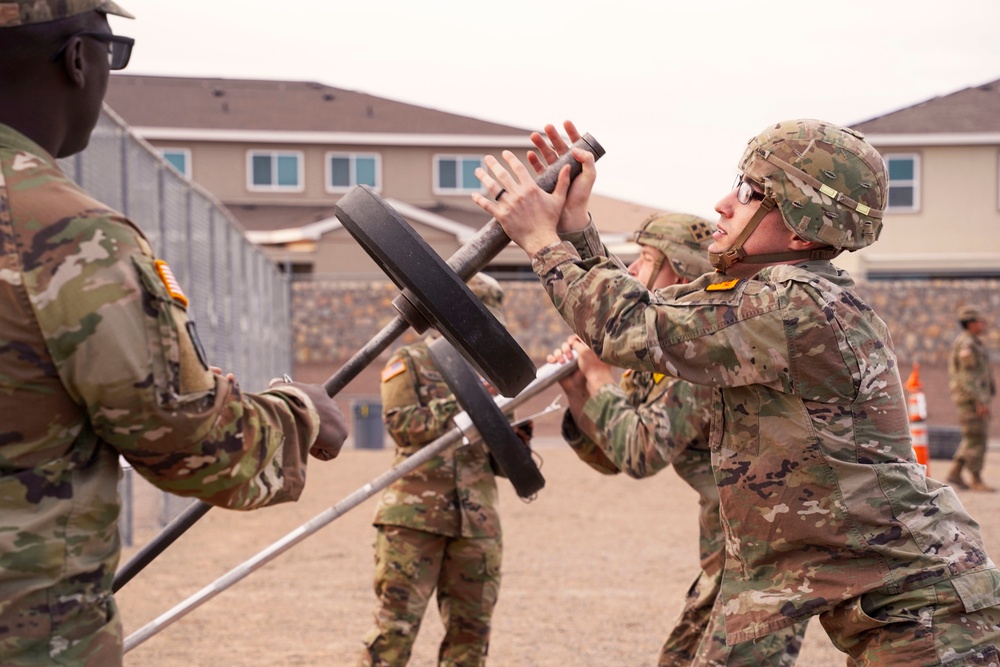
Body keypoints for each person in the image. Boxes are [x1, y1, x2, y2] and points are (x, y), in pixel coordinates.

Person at [473, 119, 1000, 666]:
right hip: (887, 604)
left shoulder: (794, 306)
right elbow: (648, 309)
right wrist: (576, 224)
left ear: (801, 229)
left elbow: (627, 325)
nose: (725, 204)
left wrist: (541, 240)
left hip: (928, 615)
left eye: (751, 193)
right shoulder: (768, 297)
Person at [0, 2, 348, 665]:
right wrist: (301, 416)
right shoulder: (66, 237)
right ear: (78, 58)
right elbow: (185, 439)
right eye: (112, 51)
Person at [547, 212, 807, 666]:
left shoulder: (707, 361)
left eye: (645, 259)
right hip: (730, 559)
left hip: (770, 565)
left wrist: (600, 382)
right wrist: (578, 395)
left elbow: (641, 453)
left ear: (679, 275)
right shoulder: (666, 358)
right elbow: (614, 453)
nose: (629, 271)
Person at [359, 273, 526, 667]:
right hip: (414, 521)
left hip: (477, 524)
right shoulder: (412, 360)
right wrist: (468, 402)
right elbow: (401, 425)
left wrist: (517, 441)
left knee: (471, 638)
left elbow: (500, 460)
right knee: (393, 633)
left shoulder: (497, 375)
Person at [946, 305, 997, 492]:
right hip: (971, 399)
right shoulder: (967, 344)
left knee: (971, 437)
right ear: (970, 323)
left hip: (974, 397)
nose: (983, 324)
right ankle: (976, 479)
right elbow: (968, 377)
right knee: (977, 438)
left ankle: (956, 472)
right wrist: (980, 400)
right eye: (979, 321)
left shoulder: (974, 342)